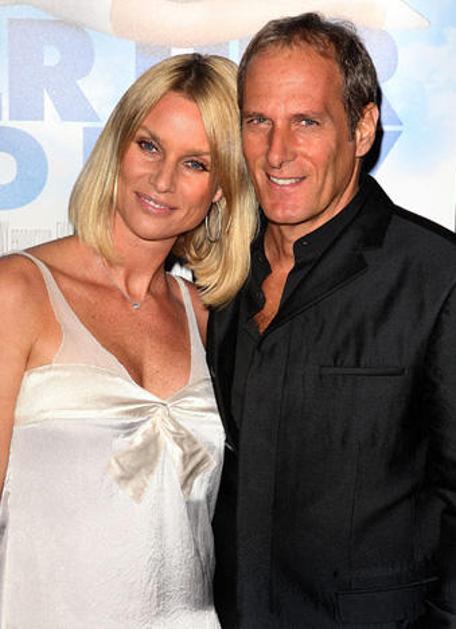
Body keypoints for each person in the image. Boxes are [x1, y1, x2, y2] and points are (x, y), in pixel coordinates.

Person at [207, 12, 456, 629]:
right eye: (258, 121)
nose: (277, 152)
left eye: (306, 122)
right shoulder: (220, 275)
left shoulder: (436, 277)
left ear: (362, 128)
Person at [0, 52, 257, 627]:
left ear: (221, 189)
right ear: (117, 145)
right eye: (149, 146)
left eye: (195, 163)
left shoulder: (210, 320)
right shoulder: (17, 292)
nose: (163, 180)